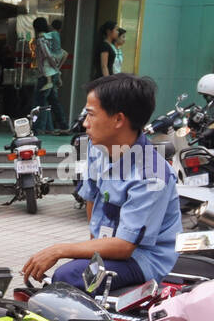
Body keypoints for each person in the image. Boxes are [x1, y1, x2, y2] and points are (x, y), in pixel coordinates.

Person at [23, 74, 180, 292]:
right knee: (68, 277)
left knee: (68, 276)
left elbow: (125, 246)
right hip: (114, 249)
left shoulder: (151, 174)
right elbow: (92, 202)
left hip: (142, 259)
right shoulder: (99, 150)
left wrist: (59, 250)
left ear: (118, 120)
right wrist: (90, 250)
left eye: (91, 115)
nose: (85, 123)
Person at [31, 18, 60, 132]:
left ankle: (39, 127)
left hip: (45, 74)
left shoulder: (41, 39)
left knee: (39, 103)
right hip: (52, 74)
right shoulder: (50, 38)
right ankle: (50, 127)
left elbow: (47, 56)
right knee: (49, 102)